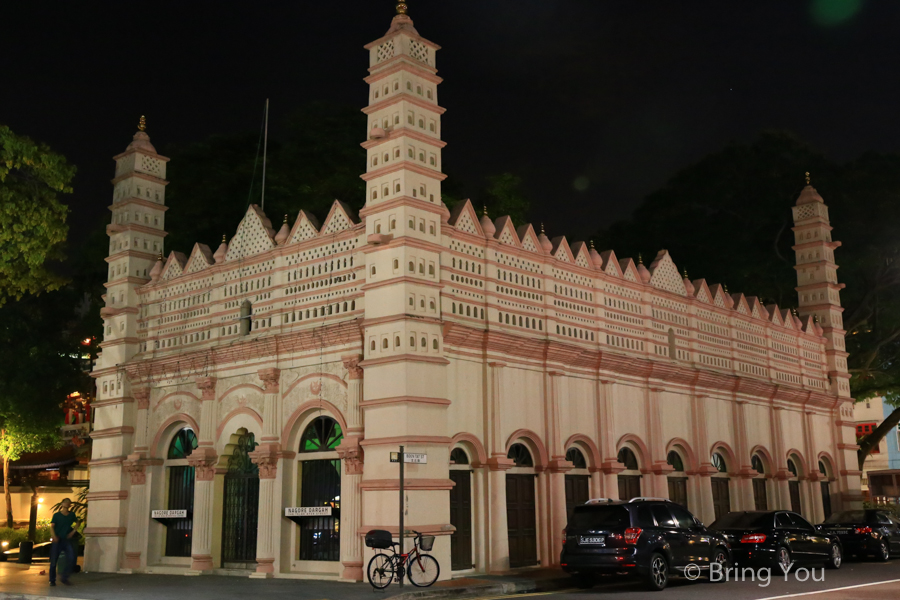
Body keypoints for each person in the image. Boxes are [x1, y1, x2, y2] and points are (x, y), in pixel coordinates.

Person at [49, 498, 78, 586]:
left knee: (71, 558)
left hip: (66, 540)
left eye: (68, 503)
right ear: (62, 504)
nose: (66, 504)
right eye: (65, 503)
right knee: (54, 560)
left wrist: (73, 532)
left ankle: (64, 577)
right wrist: (54, 536)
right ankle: (52, 580)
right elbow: (52, 526)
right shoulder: (57, 515)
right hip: (58, 539)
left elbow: (77, 522)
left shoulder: (72, 515)